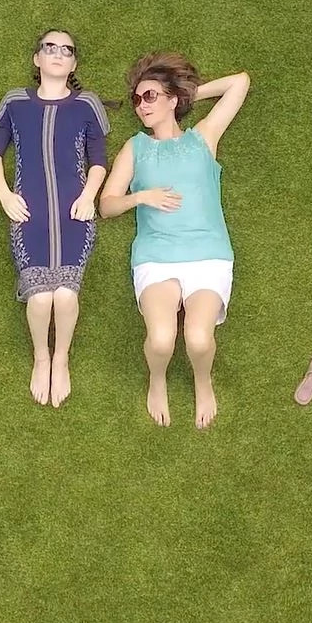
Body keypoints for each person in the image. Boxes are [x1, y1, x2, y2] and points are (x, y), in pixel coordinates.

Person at [99, 53, 250, 429]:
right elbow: (106, 205)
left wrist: (185, 95)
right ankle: (157, 379)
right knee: (163, 340)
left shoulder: (204, 138)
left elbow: (240, 82)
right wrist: (141, 197)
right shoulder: (135, 148)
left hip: (208, 255)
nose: (141, 105)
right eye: (136, 100)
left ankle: (203, 380)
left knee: (198, 339)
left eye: (150, 96)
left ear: (170, 99)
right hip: (157, 257)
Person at [0, 29, 111, 407]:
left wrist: (90, 196)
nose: (57, 54)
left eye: (66, 50)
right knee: (40, 300)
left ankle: (62, 358)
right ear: (37, 59)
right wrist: (5, 195)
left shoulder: (87, 104)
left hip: (76, 216)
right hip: (29, 215)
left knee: (66, 296)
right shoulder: (15, 102)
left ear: (73, 64)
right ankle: (42, 358)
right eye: (49, 48)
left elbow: (99, 161)